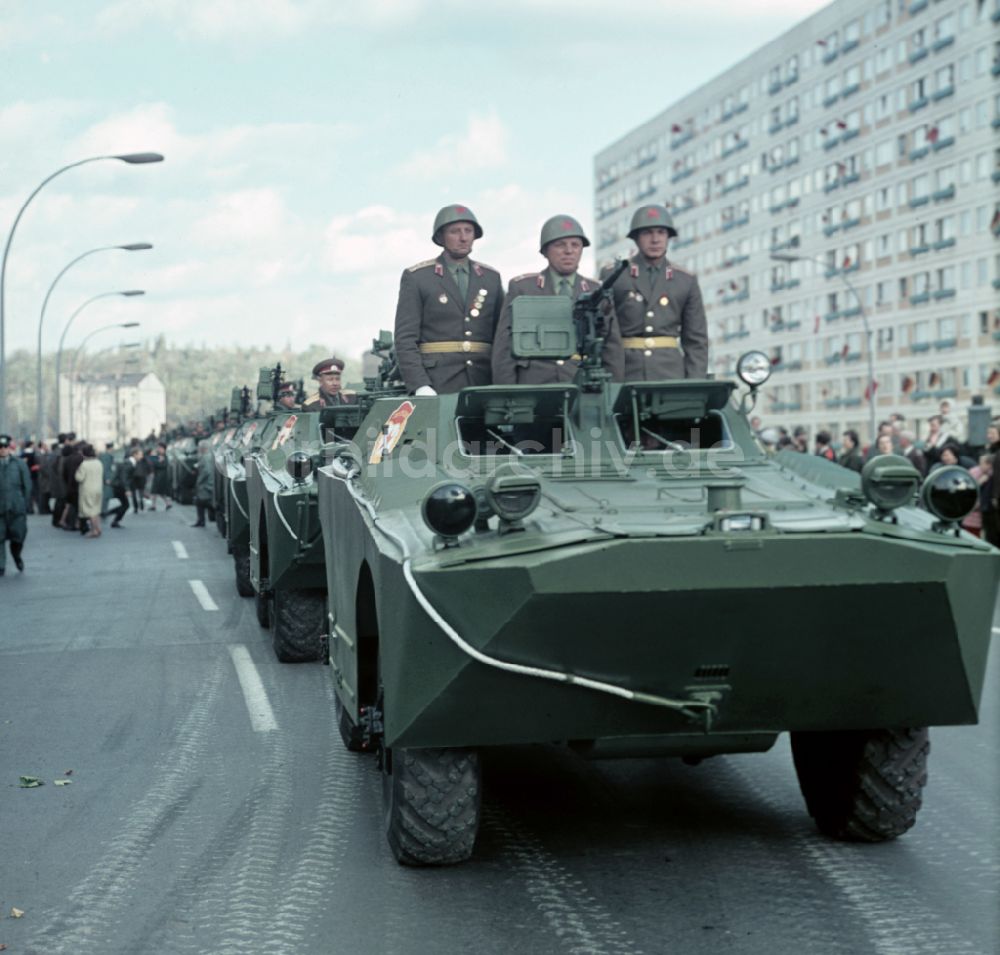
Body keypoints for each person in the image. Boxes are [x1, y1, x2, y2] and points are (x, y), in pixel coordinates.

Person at [492, 215, 623, 385]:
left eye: (575, 245)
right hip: (533, 383)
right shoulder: (523, 288)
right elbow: (504, 347)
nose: (569, 251)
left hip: (582, 383)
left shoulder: (596, 291)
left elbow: (611, 348)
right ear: (545, 251)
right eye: (560, 245)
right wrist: (507, 395)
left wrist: (612, 392)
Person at [393, 204, 505, 395]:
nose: (463, 237)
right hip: (437, 382)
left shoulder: (491, 278)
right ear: (440, 237)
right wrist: (420, 384)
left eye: (468, 231)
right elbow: (405, 339)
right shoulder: (418, 277)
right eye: (455, 231)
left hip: (484, 381)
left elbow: (502, 336)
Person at [601, 204, 708, 380]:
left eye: (661, 232)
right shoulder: (614, 275)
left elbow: (696, 339)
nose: (655, 239)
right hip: (626, 372)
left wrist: (694, 383)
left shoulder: (685, 280)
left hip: (670, 373)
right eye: (647, 233)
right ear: (636, 239)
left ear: (668, 237)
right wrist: (612, 378)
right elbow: (605, 333)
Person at [0, 434, 31, 575]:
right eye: (0, 447)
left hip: (17, 508)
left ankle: (16, 555)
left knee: (18, 537)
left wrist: (24, 504)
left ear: (9, 447)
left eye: (5, 446)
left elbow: (27, 486)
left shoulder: (19, 464)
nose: (2, 450)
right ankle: (1, 565)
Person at [75, 443, 104, 538]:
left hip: (87, 489)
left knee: (90, 511)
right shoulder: (99, 463)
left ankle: (94, 530)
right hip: (98, 489)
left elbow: (79, 478)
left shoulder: (84, 465)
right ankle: (98, 528)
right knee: (96, 510)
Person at [191, 440, 215, 527]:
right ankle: (201, 521)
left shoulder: (205, 457)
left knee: (201, 501)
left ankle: (201, 521)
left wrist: (199, 481)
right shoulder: (208, 456)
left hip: (206, 484)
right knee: (200, 502)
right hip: (208, 483)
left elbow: (206, 471)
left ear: (203, 448)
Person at [147, 441, 173, 510]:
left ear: (163, 449)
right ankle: (163, 504)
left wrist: (156, 462)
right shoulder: (158, 456)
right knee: (156, 492)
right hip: (157, 476)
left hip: (161, 477)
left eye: (160, 448)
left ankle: (155, 505)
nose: (158, 449)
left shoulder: (164, 457)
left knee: (157, 492)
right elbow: (151, 461)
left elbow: (163, 465)